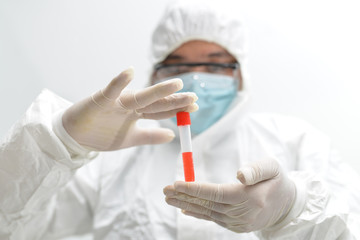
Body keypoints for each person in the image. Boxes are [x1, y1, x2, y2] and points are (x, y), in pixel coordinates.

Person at [1, 1, 360, 239]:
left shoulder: (294, 142)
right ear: (156, 74)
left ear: (240, 73)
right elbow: (12, 226)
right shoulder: (111, 160)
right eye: (179, 65)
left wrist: (291, 207)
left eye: (216, 62)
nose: (197, 77)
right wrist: (58, 143)